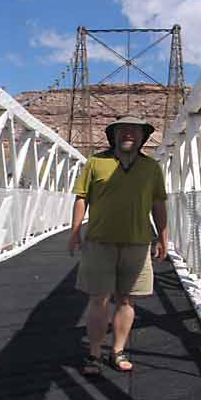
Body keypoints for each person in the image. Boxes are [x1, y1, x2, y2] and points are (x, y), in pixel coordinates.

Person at [75, 120, 171, 373]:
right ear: (113, 135)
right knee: (99, 299)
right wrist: (74, 232)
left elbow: (158, 203)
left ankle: (117, 351)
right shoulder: (95, 162)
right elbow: (81, 196)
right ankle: (94, 353)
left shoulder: (151, 168)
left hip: (137, 244)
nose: (128, 133)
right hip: (99, 242)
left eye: (135, 130)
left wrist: (163, 237)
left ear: (143, 137)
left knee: (127, 300)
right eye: (122, 129)